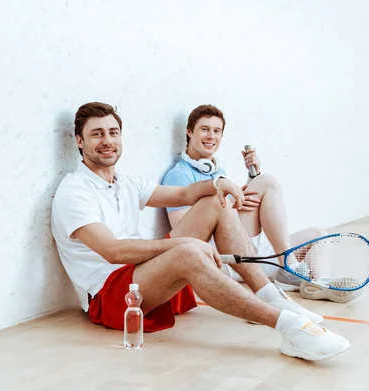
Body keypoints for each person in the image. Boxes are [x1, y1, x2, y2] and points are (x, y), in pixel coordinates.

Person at [50, 102, 350, 361]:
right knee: (187, 252)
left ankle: (272, 296)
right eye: (97, 134)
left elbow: (183, 195)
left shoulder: (127, 182)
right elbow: (113, 251)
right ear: (80, 141)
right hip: (109, 296)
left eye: (113, 133)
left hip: (141, 276)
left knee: (214, 204)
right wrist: (183, 244)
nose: (107, 141)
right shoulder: (74, 192)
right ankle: (290, 329)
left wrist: (216, 184)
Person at [161, 104, 330, 293]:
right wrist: (233, 203)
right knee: (268, 183)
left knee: (319, 234)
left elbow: (238, 208)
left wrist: (252, 177)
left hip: (250, 250)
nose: (211, 136)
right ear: (190, 132)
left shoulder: (218, 172)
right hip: (223, 258)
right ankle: (288, 267)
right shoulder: (178, 175)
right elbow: (184, 233)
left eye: (217, 131)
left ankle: (318, 287)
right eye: (204, 129)